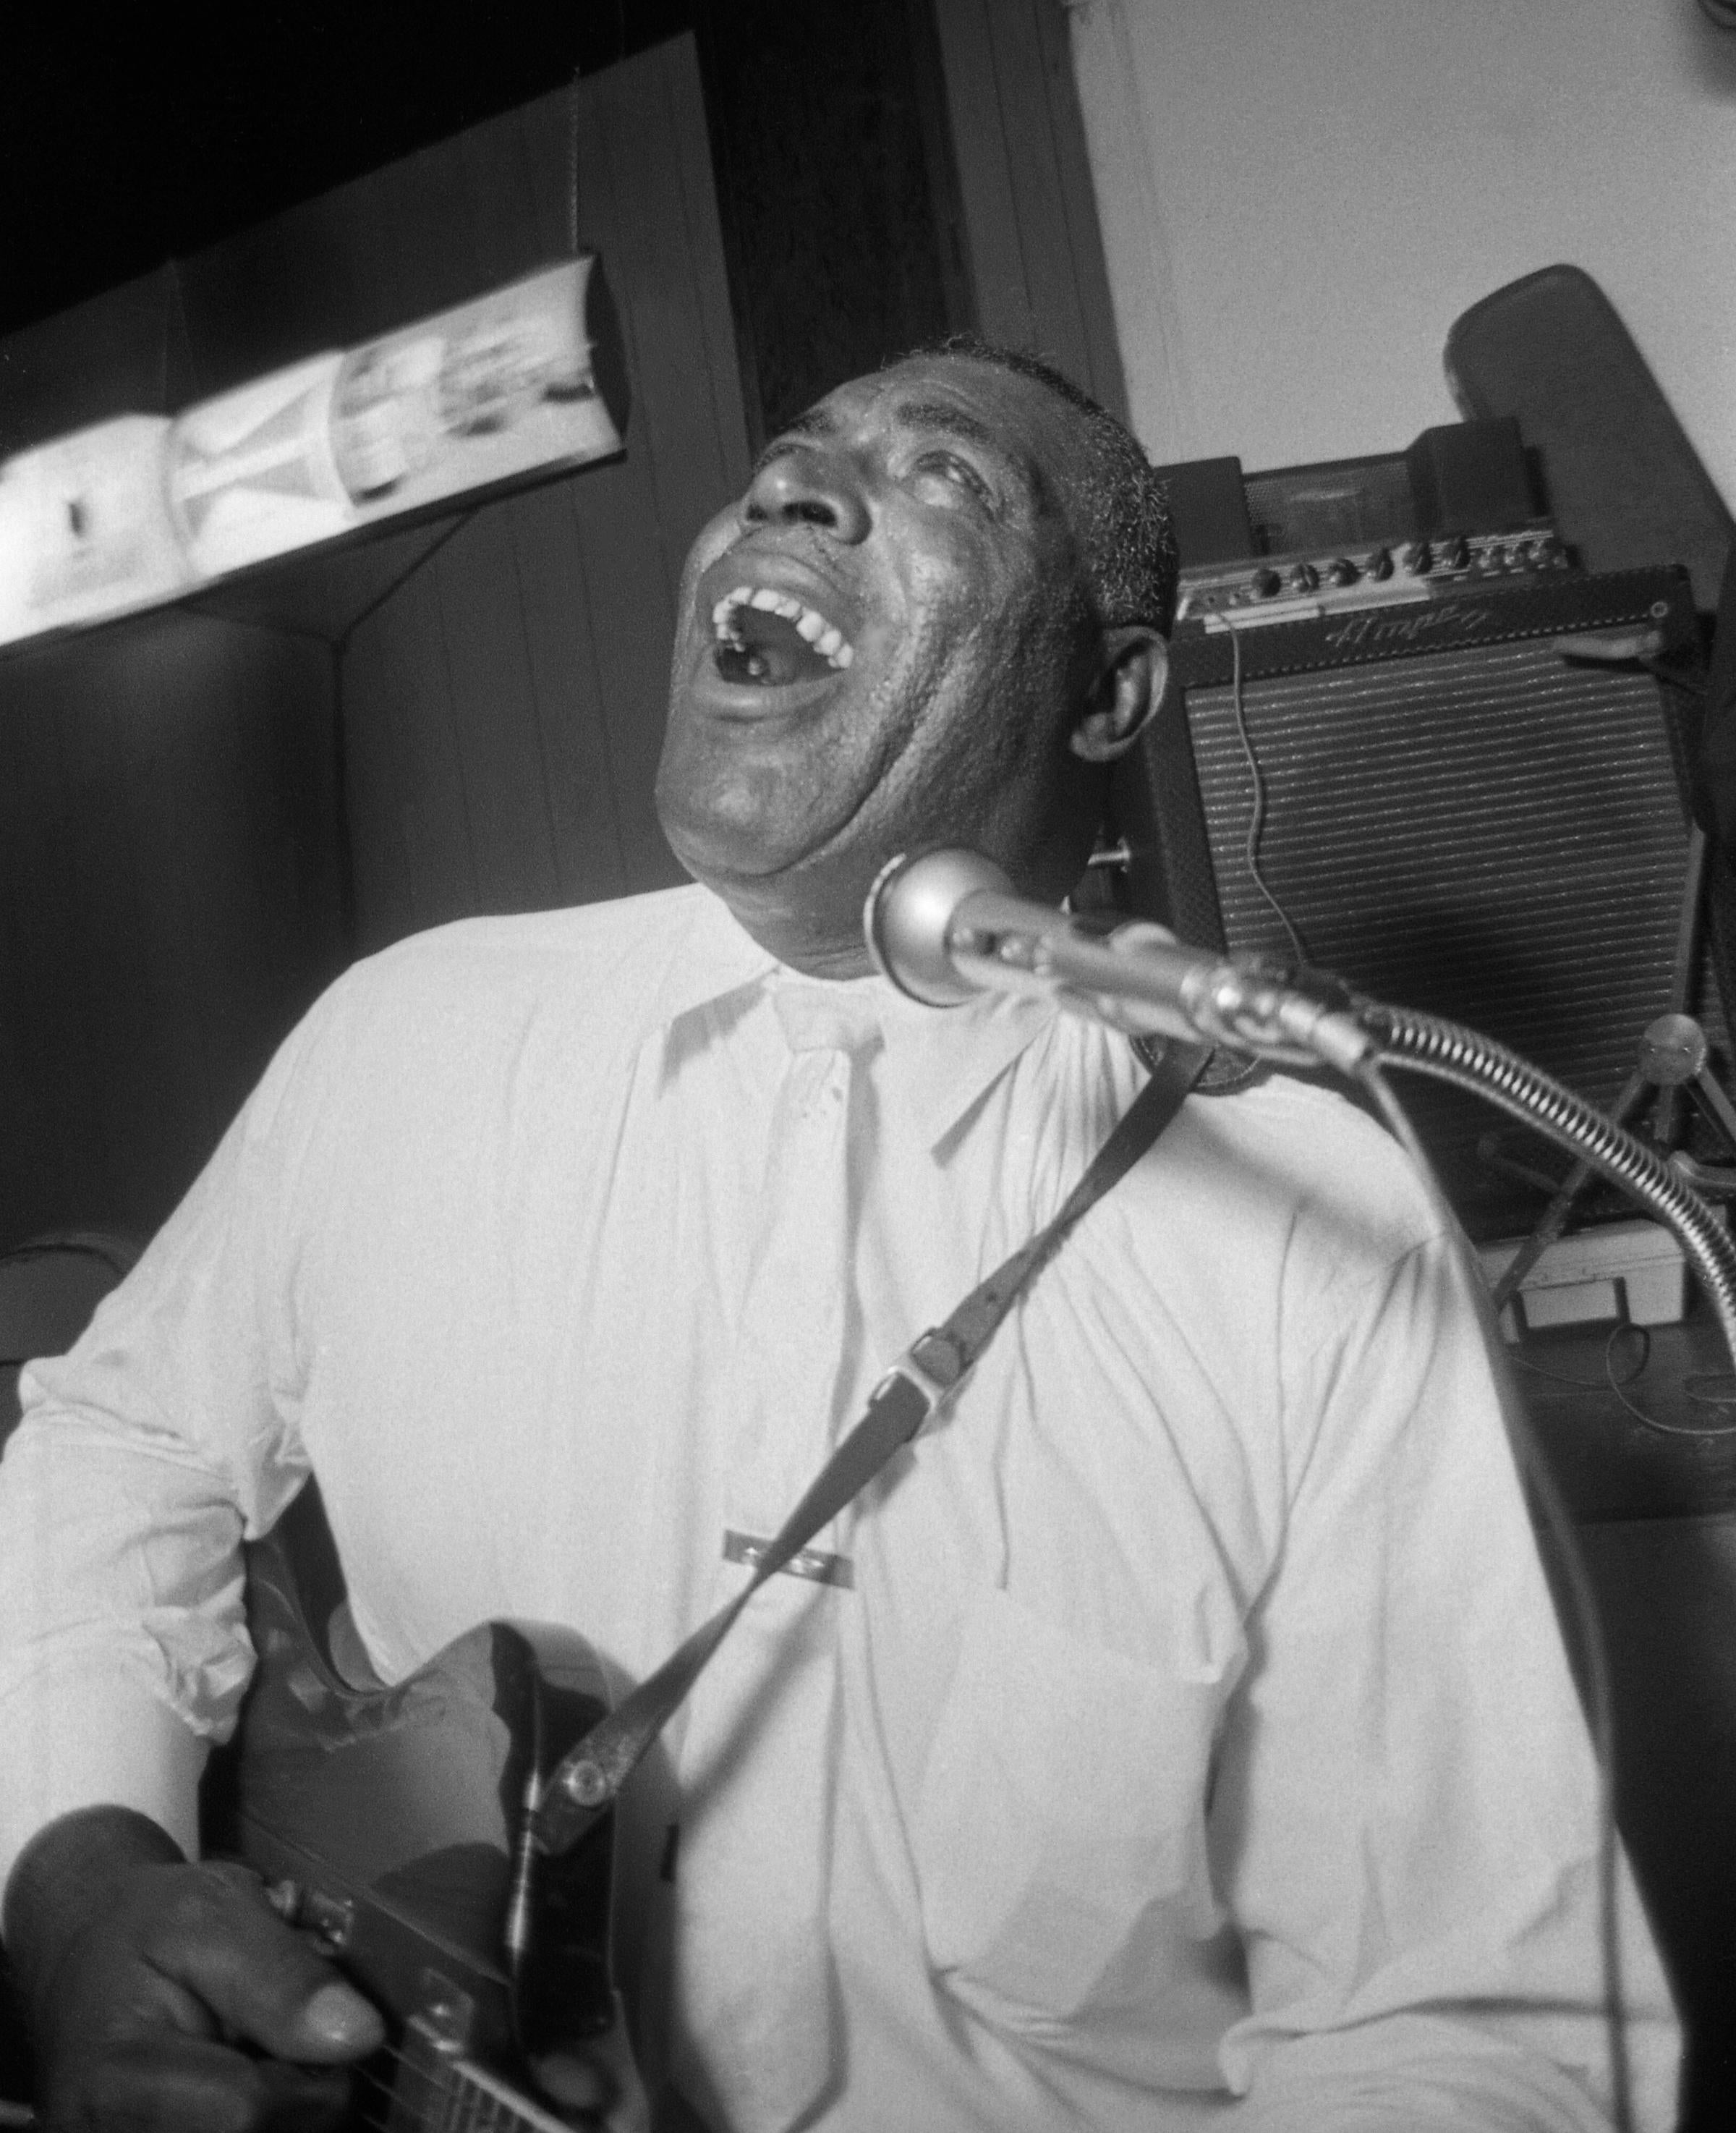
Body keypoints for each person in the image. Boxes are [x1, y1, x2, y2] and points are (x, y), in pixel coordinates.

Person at [0, 339, 1680, 2132]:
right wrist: (75, 1874)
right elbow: (122, 1441)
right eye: (790, 456)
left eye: (948, 479)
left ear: (1109, 698)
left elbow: (1475, 2040)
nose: (791, 490)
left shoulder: (1317, 1237)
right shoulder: (403, 1041)